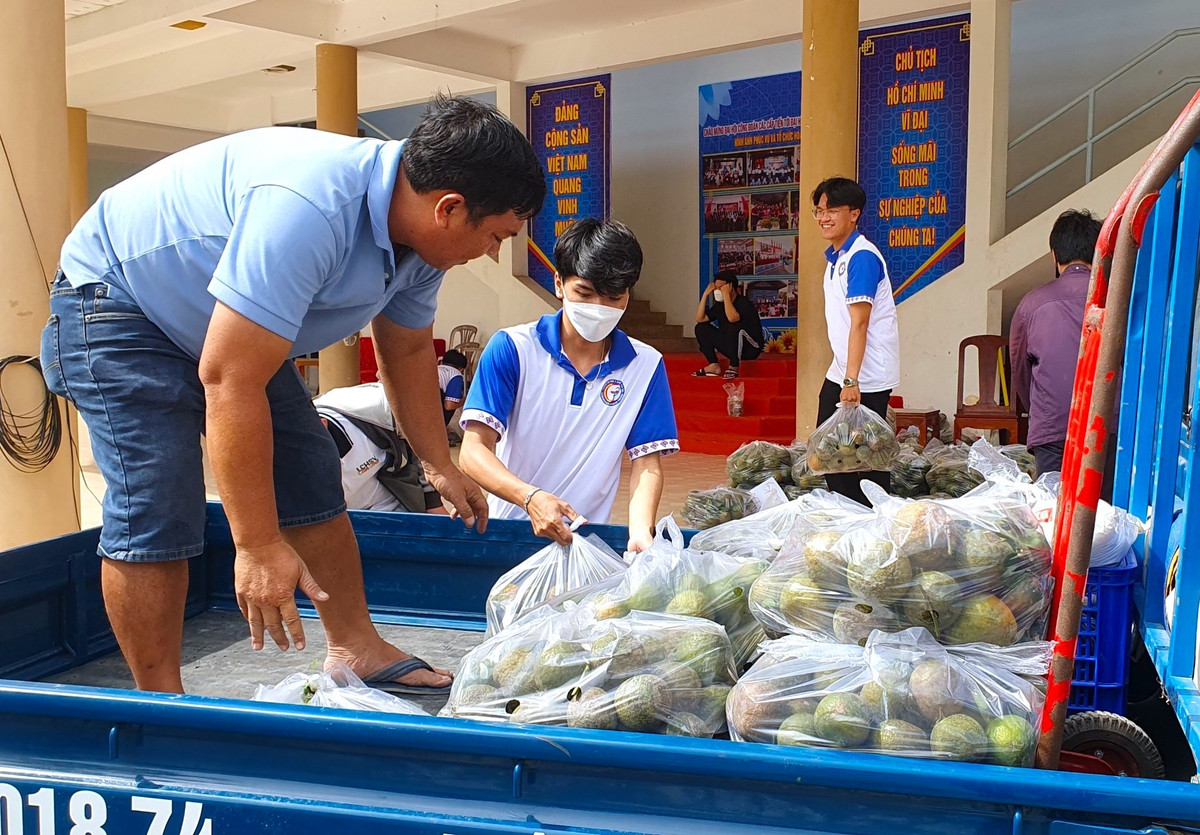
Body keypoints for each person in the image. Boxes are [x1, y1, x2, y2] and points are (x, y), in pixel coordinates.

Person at [41, 94, 545, 695]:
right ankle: (161, 696)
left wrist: (440, 463)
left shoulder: (424, 242)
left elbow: (406, 351)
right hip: (120, 301)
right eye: (495, 236)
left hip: (221, 325)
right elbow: (231, 378)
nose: (491, 253)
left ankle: (356, 647)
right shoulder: (310, 206)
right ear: (450, 207)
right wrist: (256, 545)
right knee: (158, 494)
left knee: (308, 463)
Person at [458, 218, 678, 553]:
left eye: (613, 297)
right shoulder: (514, 349)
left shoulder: (645, 366)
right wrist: (529, 497)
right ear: (559, 284)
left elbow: (647, 464)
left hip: (585, 545)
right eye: (585, 294)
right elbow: (473, 451)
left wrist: (640, 530)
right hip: (510, 535)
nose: (598, 309)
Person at [811, 176, 901, 505]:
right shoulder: (837, 257)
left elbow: (860, 323)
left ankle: (872, 517)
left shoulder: (862, 257)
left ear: (854, 214)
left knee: (864, 454)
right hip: (844, 370)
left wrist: (852, 380)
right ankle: (849, 514)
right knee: (831, 449)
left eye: (832, 209)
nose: (823, 217)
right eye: (818, 210)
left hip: (866, 375)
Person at [1010, 209, 1110, 488]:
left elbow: (1020, 373)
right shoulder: (1117, 299)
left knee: (1054, 512)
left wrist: (1042, 413)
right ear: (1100, 252)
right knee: (1108, 517)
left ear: (1054, 255)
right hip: (1108, 429)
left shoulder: (1031, 303)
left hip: (1053, 434)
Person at [314, 382, 447, 514]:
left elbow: (422, 438)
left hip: (395, 507)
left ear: (322, 424)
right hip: (341, 520)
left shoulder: (377, 406)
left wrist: (432, 501)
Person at [692, 271, 764, 378]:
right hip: (731, 347)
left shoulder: (743, 303)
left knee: (734, 325)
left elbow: (733, 318)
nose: (718, 291)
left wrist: (725, 295)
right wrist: (705, 294)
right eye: (716, 288)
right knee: (701, 327)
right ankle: (713, 365)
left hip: (750, 348)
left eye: (721, 288)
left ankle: (734, 366)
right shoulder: (720, 305)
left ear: (731, 287)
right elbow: (700, 318)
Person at [437, 348, 468, 426]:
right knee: (454, 399)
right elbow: (449, 406)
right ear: (461, 369)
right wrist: (465, 400)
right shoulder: (455, 374)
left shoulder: (436, 368)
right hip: (430, 405)